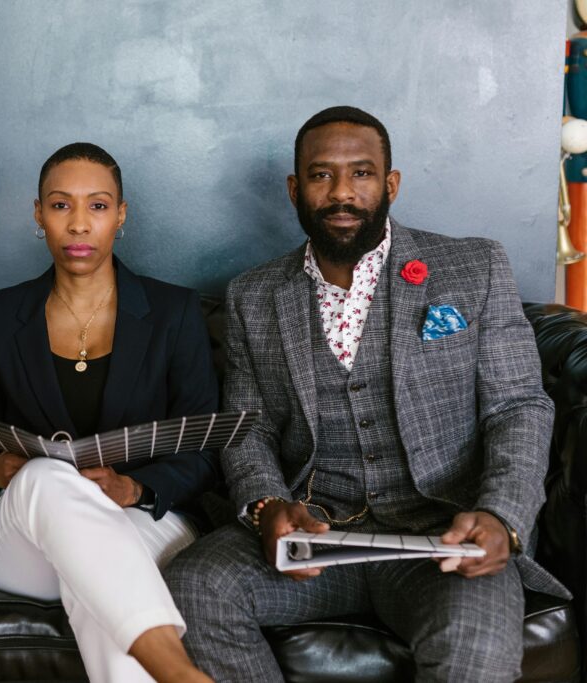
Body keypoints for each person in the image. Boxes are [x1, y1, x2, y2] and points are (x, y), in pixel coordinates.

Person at [164, 106, 571, 682]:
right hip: (316, 538)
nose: (341, 193)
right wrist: (266, 505)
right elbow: (246, 427)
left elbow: (518, 407)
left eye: (361, 173)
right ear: (294, 189)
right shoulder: (253, 296)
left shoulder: (472, 268)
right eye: (321, 175)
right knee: (194, 587)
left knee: (474, 645)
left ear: (390, 184)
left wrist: (501, 517)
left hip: (443, 538)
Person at [0, 142, 219, 683]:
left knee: (98, 575)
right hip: (22, 542)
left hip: (144, 521)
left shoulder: (174, 312)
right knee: (49, 476)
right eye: (60, 206)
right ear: (38, 214)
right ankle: (178, 672)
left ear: (121, 215)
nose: (78, 224)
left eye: (97, 206)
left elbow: (203, 449)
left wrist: (134, 490)